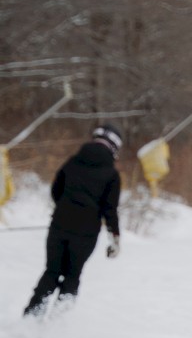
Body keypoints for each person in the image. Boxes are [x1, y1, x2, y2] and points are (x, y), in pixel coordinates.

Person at [24, 125, 123, 317]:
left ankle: (31, 318)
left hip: (59, 226)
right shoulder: (111, 175)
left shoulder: (72, 162)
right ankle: (58, 323)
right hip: (86, 234)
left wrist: (65, 210)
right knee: (72, 275)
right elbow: (110, 210)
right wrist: (115, 238)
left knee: (51, 272)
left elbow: (56, 191)